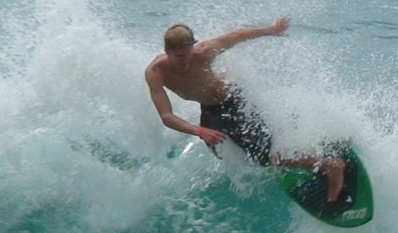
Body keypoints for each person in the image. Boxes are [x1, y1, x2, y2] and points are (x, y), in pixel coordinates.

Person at [145, 16, 344, 201]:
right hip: (209, 109)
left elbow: (236, 36)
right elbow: (166, 116)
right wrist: (200, 131)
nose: (185, 61)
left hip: (233, 102)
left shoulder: (204, 53)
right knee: (220, 150)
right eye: (179, 56)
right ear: (166, 51)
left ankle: (330, 165)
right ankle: (285, 147)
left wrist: (271, 30)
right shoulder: (156, 73)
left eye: (187, 54)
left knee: (263, 158)